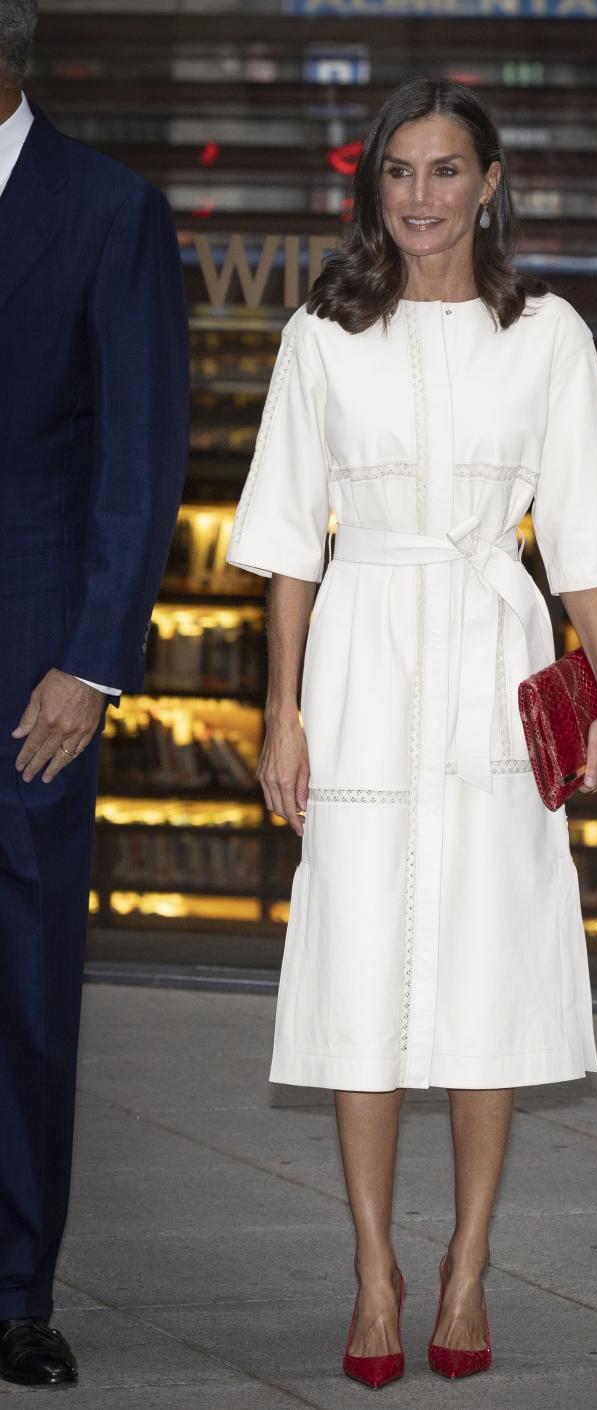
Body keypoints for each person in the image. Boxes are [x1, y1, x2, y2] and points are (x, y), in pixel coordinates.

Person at [227, 76, 597, 1387]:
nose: (421, 195)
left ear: (489, 181)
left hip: (492, 657)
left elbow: (579, 527)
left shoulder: (548, 334)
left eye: (445, 169)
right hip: (359, 660)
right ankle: (372, 1267)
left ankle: (466, 1260)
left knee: (488, 969)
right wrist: (282, 707)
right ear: (376, 189)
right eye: (398, 172)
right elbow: (291, 543)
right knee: (358, 967)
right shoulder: (321, 336)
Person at [0, 2, 189, 1388]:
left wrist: (92, 659)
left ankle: (15, 1288)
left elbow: (142, 452)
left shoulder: (111, 211)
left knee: (24, 985)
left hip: (32, 670)